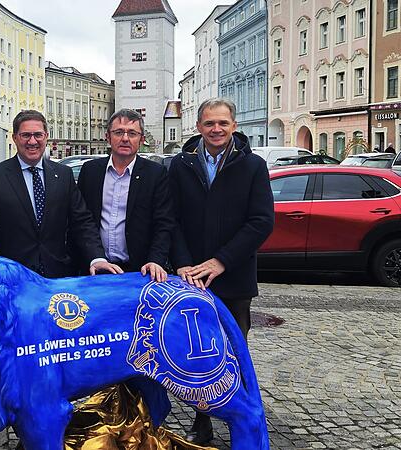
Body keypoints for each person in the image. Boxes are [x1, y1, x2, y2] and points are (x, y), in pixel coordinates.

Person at [167, 98, 274, 445]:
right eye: (210, 123)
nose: (216, 130)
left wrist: (222, 260)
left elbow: (261, 221)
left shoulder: (253, 165)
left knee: (234, 352)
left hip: (233, 277)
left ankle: (240, 419)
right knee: (198, 355)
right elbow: (171, 220)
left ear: (234, 125)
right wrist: (182, 262)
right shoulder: (180, 165)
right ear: (198, 126)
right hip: (191, 279)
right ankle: (202, 419)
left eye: (223, 124)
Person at [0, 109, 121, 278]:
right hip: (12, 275)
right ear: (15, 138)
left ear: (46, 136)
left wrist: (96, 258)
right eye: (26, 135)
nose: (32, 141)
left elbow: (82, 222)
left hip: (57, 276)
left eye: (38, 135)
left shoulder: (63, 175)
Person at [77, 108, 174, 282]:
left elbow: (163, 222)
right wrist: (95, 257)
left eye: (132, 133)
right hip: (96, 269)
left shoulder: (155, 174)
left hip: (141, 272)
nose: (125, 138)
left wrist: (156, 261)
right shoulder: (90, 171)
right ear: (108, 137)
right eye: (119, 132)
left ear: (142, 139)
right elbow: (82, 221)